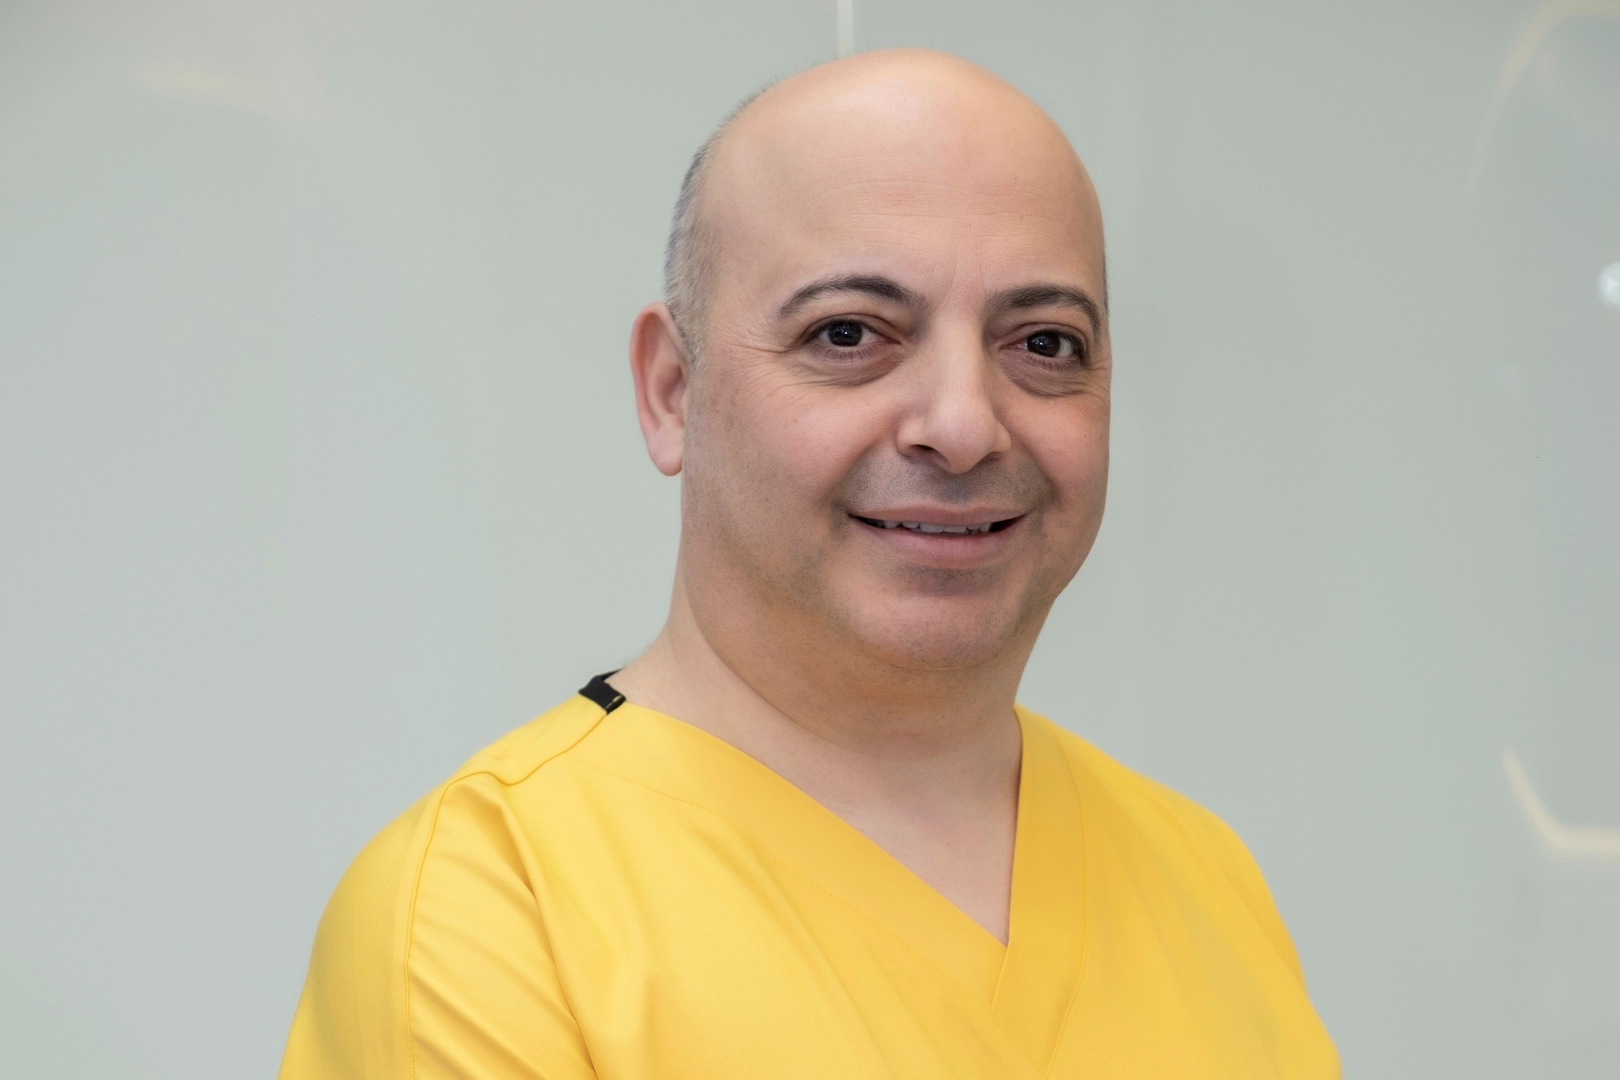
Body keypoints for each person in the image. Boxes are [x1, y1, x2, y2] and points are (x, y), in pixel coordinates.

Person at [278, 48, 1339, 1079]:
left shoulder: (1206, 879)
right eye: (848, 335)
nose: (962, 426)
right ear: (672, 391)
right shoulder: (489, 914)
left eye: (1044, 343)